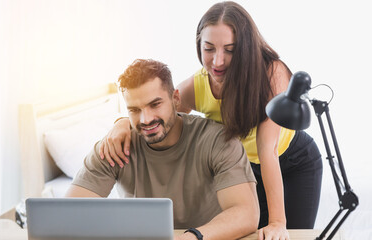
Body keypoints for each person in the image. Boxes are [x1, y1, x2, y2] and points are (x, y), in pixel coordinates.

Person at [98, 2, 323, 240]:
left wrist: (278, 222)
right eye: (209, 49)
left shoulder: (271, 74)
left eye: (230, 50)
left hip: (293, 162)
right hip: (244, 169)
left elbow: (268, 150)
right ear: (199, 46)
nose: (217, 61)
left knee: (289, 236)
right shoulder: (196, 86)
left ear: (245, 48)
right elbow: (158, 116)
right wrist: (121, 122)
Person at [66, 59, 259, 240]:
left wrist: (190, 238)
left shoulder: (217, 141)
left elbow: (246, 214)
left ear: (176, 98)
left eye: (155, 104)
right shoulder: (115, 146)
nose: (145, 119)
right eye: (134, 110)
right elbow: (69, 215)